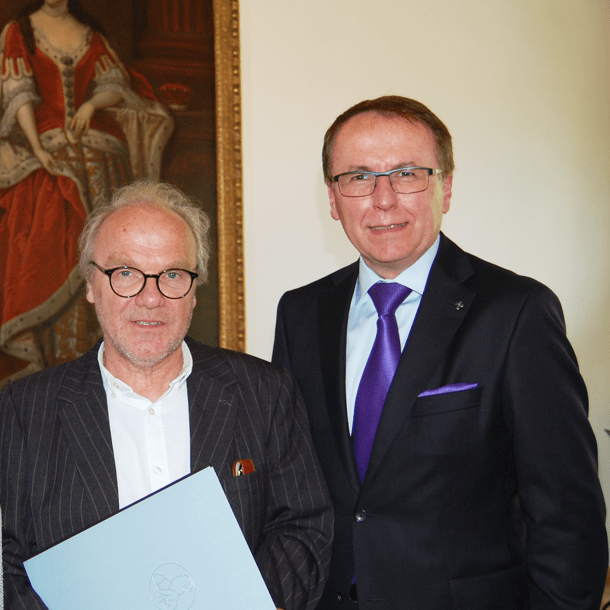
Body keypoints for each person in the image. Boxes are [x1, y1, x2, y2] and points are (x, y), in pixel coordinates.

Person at [272, 95, 607, 609]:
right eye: (359, 177)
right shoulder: (300, 314)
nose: (383, 199)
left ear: (445, 188)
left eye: (407, 174)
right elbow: (289, 489)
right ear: (334, 199)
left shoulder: (517, 312)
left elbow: (567, 515)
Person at [0, 180, 333, 610]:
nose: (150, 298)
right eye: (125, 273)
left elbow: (303, 527)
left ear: (194, 290)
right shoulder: (23, 410)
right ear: (91, 285)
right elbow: (7, 558)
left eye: (173, 275)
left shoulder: (266, 392)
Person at [0, 0, 173, 388]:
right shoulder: (20, 32)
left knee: (106, 256)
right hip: (44, 157)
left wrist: (90, 106)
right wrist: (38, 148)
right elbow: (18, 95)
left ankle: (92, 358)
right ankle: (47, 362)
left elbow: (113, 85)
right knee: (49, 247)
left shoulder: (89, 35)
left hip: (99, 163)